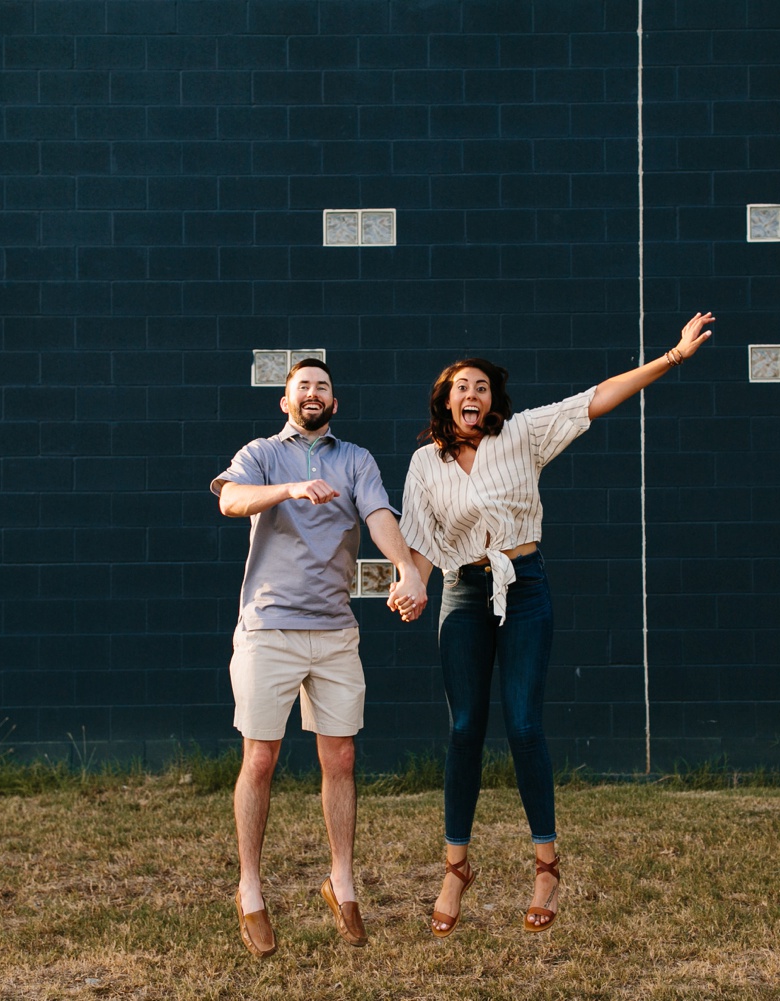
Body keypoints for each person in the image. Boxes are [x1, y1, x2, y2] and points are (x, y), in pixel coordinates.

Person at [397, 313, 714, 936]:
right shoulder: (423, 466)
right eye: (463, 386)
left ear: (494, 400)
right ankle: (456, 867)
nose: (473, 395)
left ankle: (546, 863)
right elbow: (420, 544)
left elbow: (594, 399)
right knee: (464, 729)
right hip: (462, 593)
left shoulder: (522, 434)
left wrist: (671, 358)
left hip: (525, 586)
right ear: (445, 399)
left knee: (523, 724)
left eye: (482, 387)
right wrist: (413, 587)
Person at [211, 358, 427, 958]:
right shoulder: (261, 452)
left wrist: (407, 567)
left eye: (323, 386)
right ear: (286, 401)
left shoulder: (355, 459)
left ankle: (340, 880)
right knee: (261, 759)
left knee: (341, 757)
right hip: (268, 628)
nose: (313, 393)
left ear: (335, 401)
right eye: (302, 386)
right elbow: (230, 500)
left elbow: (380, 516)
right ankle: (250, 887)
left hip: (335, 631)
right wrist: (289, 488)